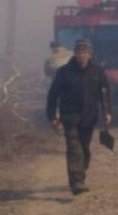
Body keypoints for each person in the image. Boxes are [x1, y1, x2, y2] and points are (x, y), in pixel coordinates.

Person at [46, 38, 112, 194]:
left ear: (90, 54)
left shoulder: (97, 72)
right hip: (70, 115)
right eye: (79, 52)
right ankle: (77, 182)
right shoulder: (64, 72)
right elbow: (53, 95)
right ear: (74, 54)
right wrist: (52, 116)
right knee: (73, 146)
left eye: (84, 53)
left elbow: (105, 93)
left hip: (89, 116)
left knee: (84, 147)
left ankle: (81, 171)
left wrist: (107, 112)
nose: (82, 56)